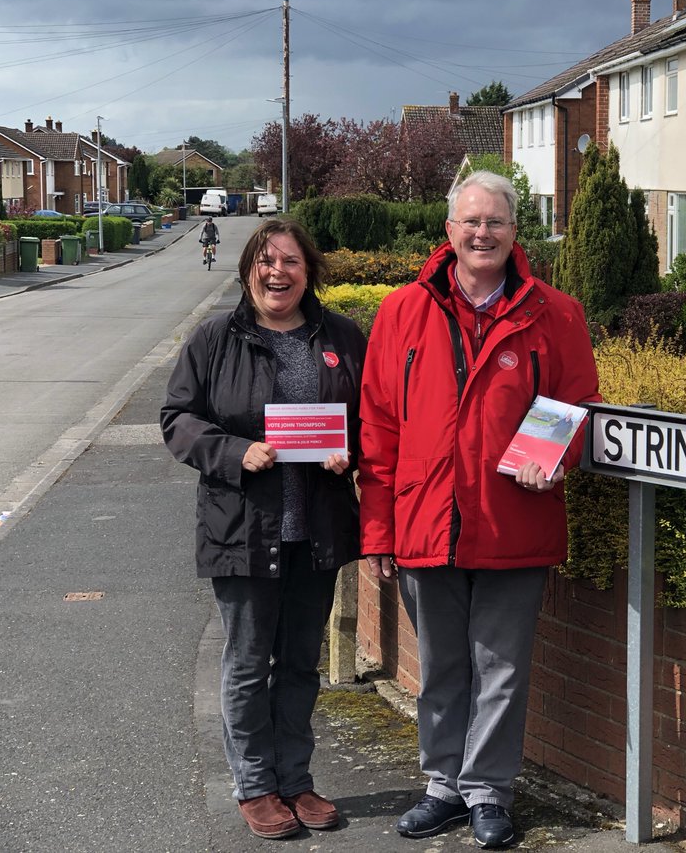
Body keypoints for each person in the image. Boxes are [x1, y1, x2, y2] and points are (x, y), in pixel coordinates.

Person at [357, 170, 601, 849]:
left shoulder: (557, 313)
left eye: (495, 221)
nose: (482, 233)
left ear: (515, 231)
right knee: (440, 666)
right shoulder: (403, 312)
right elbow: (378, 428)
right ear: (450, 230)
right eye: (471, 221)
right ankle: (443, 786)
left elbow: (576, 406)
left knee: (502, 669)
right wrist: (376, 531)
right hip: (425, 522)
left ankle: (489, 791)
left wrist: (556, 456)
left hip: (512, 520)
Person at [161, 218, 367, 840]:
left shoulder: (342, 336)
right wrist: (233, 451)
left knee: (301, 663)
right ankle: (255, 786)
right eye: (266, 261)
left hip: (317, 529)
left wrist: (351, 452)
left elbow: (372, 417)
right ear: (249, 269)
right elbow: (177, 418)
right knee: (248, 664)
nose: (278, 273)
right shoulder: (215, 338)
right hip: (243, 528)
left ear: (310, 272)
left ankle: (295, 780)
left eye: (291, 262)